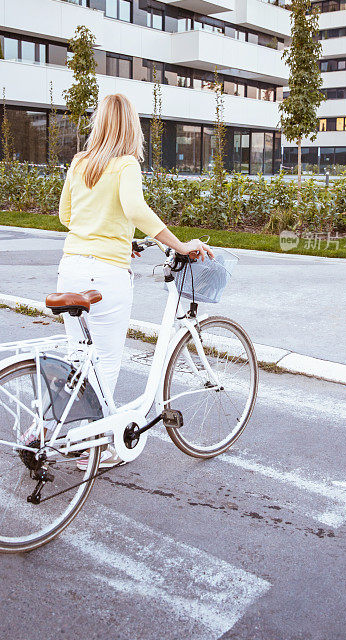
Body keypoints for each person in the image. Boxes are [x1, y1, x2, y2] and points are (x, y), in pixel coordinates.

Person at [57, 93, 212, 467]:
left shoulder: (79, 163)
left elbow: (66, 215)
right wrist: (178, 243)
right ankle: (95, 446)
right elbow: (134, 208)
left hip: (69, 269)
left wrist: (119, 238)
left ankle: (69, 432)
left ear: (98, 124)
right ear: (132, 127)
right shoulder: (126, 164)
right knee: (106, 360)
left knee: (79, 358)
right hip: (105, 275)